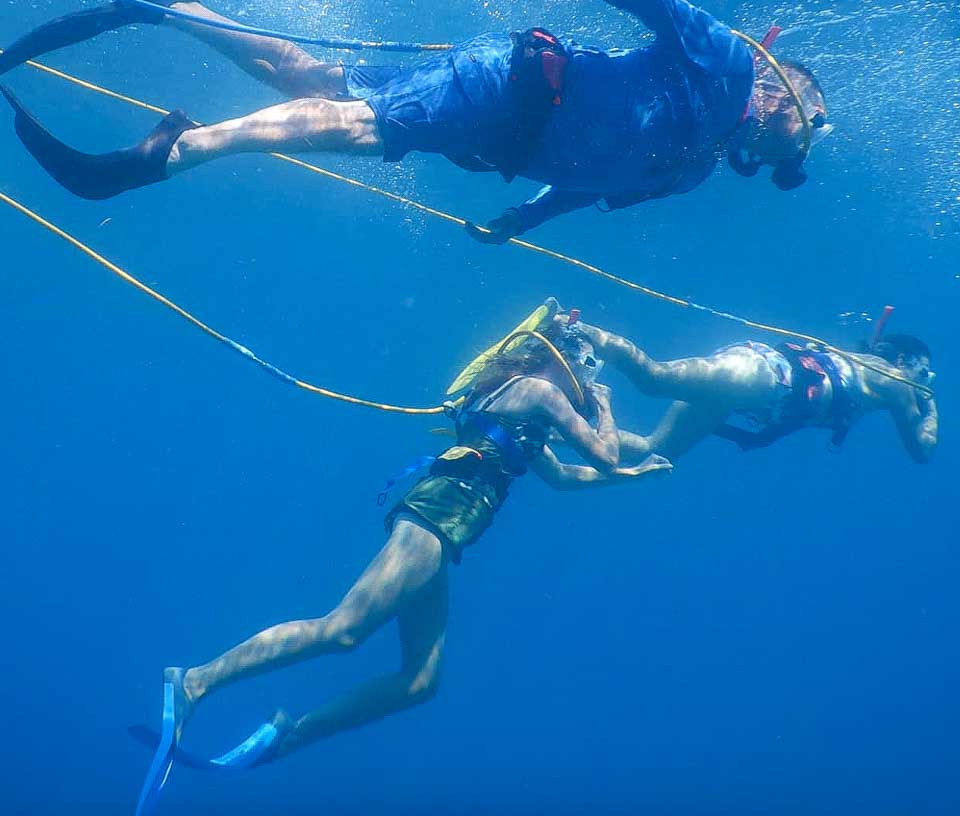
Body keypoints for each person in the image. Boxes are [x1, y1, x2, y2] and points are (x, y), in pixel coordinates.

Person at [131, 304, 670, 815]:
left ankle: (287, 734)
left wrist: (626, 478)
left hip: (450, 527)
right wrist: (603, 407)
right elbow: (603, 449)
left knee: (419, 681)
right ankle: (195, 682)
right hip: (440, 514)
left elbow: (563, 476)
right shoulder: (535, 390)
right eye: (588, 362)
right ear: (563, 358)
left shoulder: (523, 403)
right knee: (343, 630)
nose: (591, 372)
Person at [0, 0, 828, 240]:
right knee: (361, 130)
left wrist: (526, 217)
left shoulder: (692, 171)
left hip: (496, 138)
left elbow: (591, 189)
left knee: (310, 80)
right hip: (510, 82)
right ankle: (178, 150)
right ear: (788, 96)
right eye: (809, 131)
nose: (795, 151)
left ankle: (182, 6)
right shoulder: (726, 63)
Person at [573, 315, 938, 464]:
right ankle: (577, 330)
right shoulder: (896, 382)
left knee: (655, 450)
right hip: (763, 377)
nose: (925, 380)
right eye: (925, 371)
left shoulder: (865, 366)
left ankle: (554, 426)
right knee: (654, 379)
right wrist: (931, 407)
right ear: (905, 361)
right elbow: (921, 450)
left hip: (751, 385)